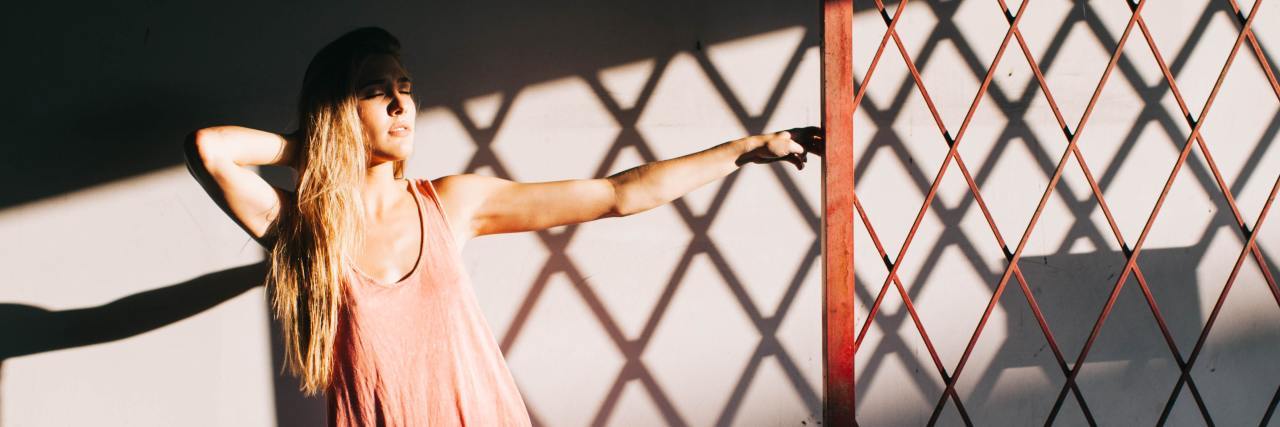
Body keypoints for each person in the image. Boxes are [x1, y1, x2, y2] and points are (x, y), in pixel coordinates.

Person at [183, 26, 822, 426]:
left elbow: (616, 195)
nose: (403, 104)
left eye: (405, 87)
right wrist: (320, 144)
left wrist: (745, 149)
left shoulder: (452, 203)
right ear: (338, 110)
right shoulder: (306, 234)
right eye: (378, 91)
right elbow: (210, 148)